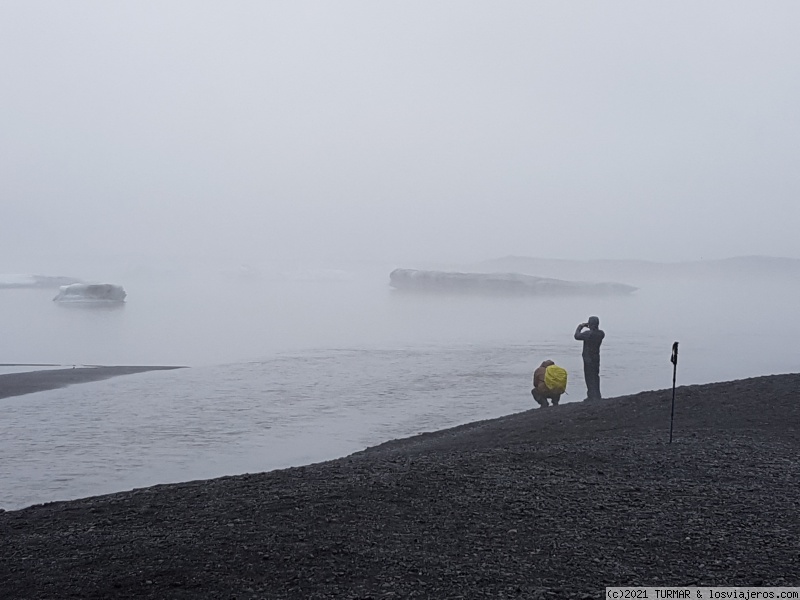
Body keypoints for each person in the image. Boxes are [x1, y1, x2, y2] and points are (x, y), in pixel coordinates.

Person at [574, 316, 605, 401]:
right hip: (596, 357)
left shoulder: (588, 334)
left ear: (590, 324)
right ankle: (597, 395)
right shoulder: (601, 333)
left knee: (589, 377)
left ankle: (591, 395)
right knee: (595, 376)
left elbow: (576, 336)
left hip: (588, 358)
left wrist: (580, 327)